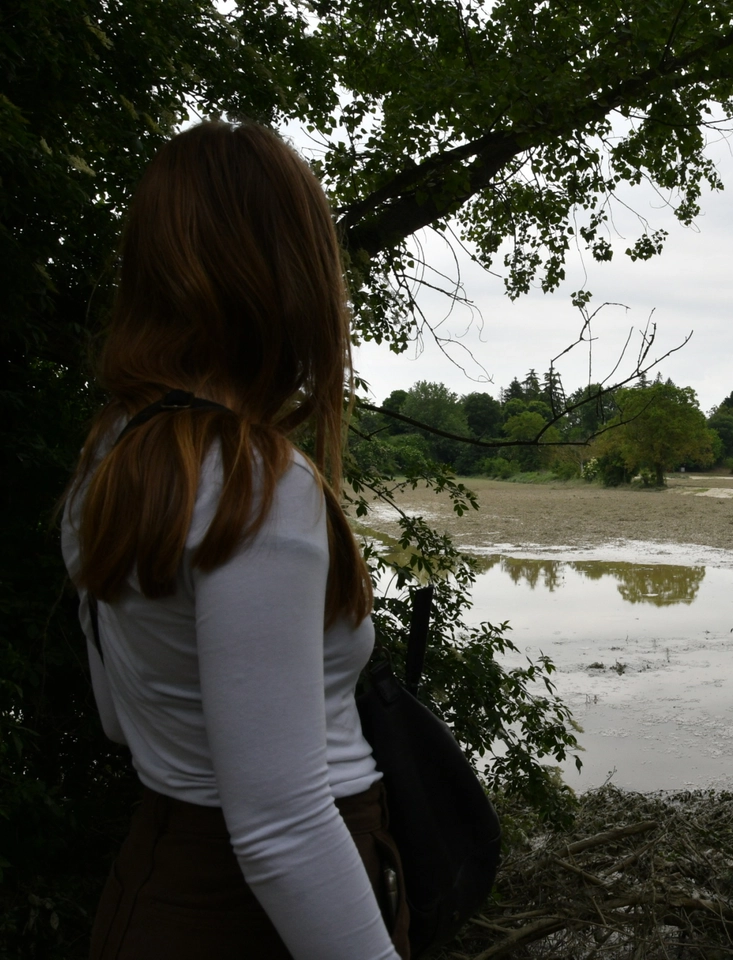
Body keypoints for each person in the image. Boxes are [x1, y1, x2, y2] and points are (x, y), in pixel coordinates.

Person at [61, 121, 407, 960]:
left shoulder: (109, 458)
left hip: (158, 885)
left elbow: (120, 717)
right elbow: (284, 824)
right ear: (290, 276)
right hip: (260, 920)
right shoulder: (257, 483)